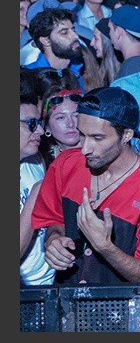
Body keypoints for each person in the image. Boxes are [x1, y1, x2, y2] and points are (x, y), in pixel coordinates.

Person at [30, 86, 140, 284]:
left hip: (119, 311)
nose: (85, 148)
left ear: (127, 135)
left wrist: (105, 247)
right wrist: (53, 239)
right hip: (66, 306)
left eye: (97, 138)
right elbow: (53, 219)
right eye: (82, 135)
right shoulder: (65, 164)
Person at [20, 90, 54, 286]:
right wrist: (36, 194)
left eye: (40, 123)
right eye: (31, 124)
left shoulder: (36, 160)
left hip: (48, 285)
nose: (40, 131)